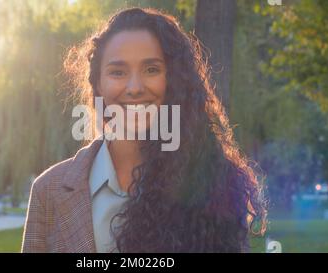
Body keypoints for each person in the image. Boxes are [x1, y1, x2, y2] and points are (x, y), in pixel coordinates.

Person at [22, 7, 267, 253]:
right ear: (98, 84)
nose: (135, 87)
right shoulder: (49, 190)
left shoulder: (215, 182)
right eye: (118, 72)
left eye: (152, 69)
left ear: (174, 80)